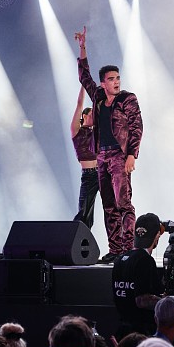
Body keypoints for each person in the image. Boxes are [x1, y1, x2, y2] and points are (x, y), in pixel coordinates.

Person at [75, 27, 143, 263]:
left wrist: (132, 155)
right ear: (103, 83)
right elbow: (84, 77)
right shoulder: (98, 97)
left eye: (117, 78)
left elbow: (136, 127)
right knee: (108, 205)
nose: (116, 82)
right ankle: (115, 249)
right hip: (101, 157)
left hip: (119, 156)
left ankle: (128, 248)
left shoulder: (127, 99)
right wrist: (83, 48)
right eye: (111, 79)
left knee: (124, 203)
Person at [112, 213, 166, 338]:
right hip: (142, 333)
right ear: (157, 235)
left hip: (123, 332)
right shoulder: (145, 260)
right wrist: (170, 303)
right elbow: (142, 301)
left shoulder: (120, 260)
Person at [72, 86, 101, 229]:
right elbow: (79, 104)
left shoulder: (96, 132)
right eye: (91, 114)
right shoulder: (76, 130)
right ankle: (74, 238)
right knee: (84, 214)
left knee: (114, 206)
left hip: (102, 172)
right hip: (89, 176)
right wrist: (84, 85)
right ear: (84, 116)